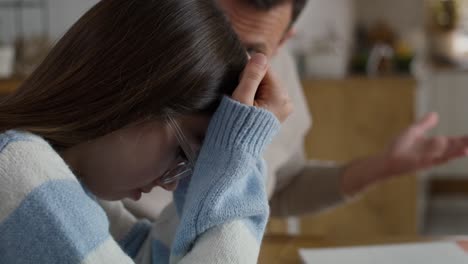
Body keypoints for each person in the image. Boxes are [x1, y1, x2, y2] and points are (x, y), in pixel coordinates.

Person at [0, 0, 292, 263]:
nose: (171, 185)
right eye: (182, 153)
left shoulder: (70, 187)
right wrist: (236, 167)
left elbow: (153, 258)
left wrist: (232, 157)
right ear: (137, 96)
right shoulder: (19, 170)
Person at [124, 0, 468, 221]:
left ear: (283, 42)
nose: (216, 63)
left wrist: (383, 166)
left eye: (247, 52)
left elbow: (281, 187)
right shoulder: (121, 63)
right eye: (208, 32)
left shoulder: (280, 73)